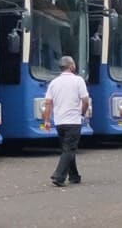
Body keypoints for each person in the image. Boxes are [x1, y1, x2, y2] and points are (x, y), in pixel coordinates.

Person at [42, 55, 90, 187]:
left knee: (67, 148)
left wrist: (46, 121)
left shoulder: (54, 83)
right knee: (69, 149)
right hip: (73, 121)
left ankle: (74, 176)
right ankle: (59, 176)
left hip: (59, 122)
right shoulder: (78, 81)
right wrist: (82, 112)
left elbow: (47, 103)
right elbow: (85, 100)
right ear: (71, 66)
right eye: (74, 64)